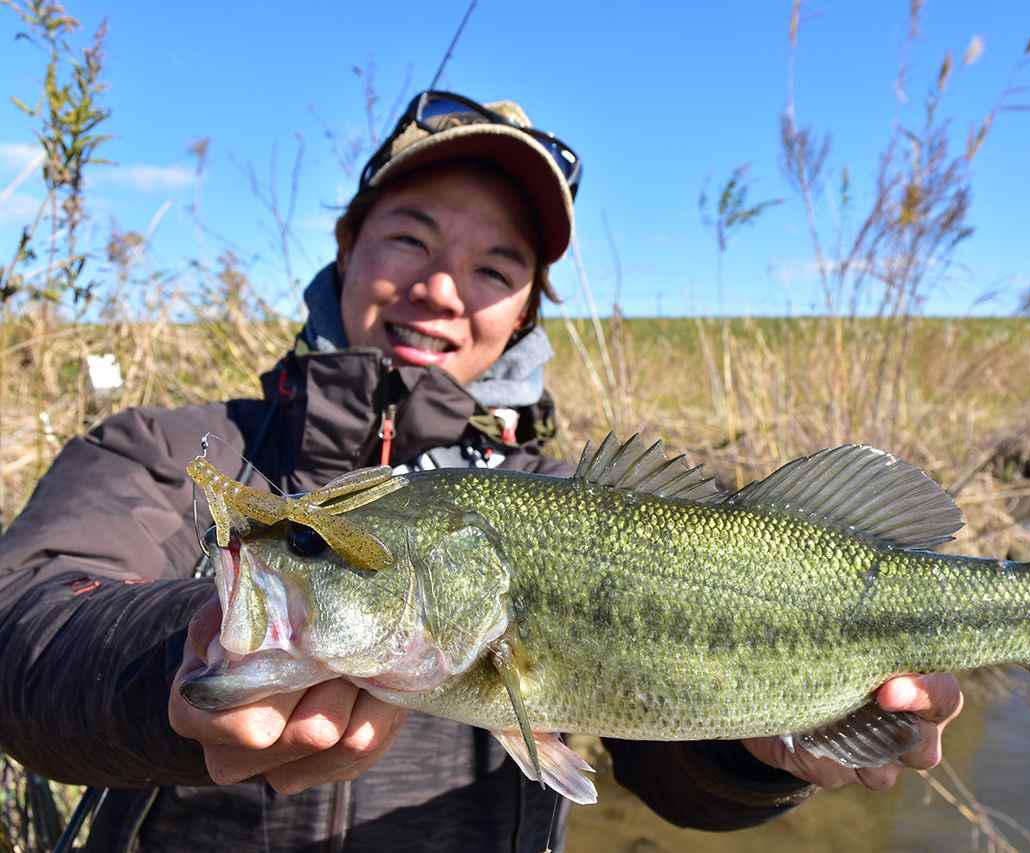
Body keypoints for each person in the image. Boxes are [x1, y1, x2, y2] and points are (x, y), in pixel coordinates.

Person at [0, 91, 962, 852]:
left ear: (524, 316)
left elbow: (664, 772)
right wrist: (198, 650)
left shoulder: (564, 496)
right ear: (346, 248)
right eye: (412, 238)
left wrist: (756, 746)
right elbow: (27, 628)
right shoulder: (173, 449)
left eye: (497, 268)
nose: (442, 288)